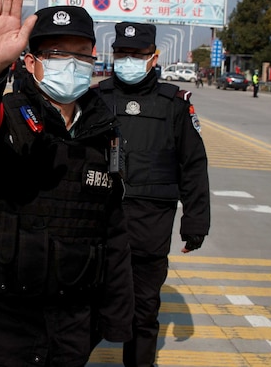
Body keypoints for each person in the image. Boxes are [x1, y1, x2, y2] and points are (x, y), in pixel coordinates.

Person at [0, 0, 134, 367]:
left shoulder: (105, 133)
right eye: (57, 54)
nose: (71, 64)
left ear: (94, 60)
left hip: (70, 328)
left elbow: (113, 230)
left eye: (81, 54)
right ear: (30, 61)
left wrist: (117, 318)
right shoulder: (5, 115)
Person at [96, 22, 211, 367]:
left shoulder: (174, 104)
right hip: (97, 222)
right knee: (84, 304)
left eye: (137, 54)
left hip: (150, 224)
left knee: (143, 310)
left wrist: (195, 222)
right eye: (122, 53)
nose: (128, 59)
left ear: (153, 57)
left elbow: (193, 165)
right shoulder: (96, 99)